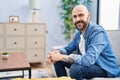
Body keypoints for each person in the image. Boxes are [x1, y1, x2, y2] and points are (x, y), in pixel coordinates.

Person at [47, 5, 120, 80]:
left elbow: (88, 60)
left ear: (88, 16)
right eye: (75, 17)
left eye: (81, 15)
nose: (78, 19)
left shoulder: (98, 32)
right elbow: (68, 48)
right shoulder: (79, 34)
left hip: (105, 68)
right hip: (90, 65)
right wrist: (57, 53)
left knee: (75, 69)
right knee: (58, 61)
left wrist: (62, 57)